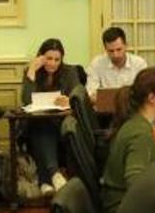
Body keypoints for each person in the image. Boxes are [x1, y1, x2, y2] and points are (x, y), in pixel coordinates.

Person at [100, 67, 155, 213]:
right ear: (152, 98)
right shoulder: (141, 134)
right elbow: (135, 182)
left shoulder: (135, 123)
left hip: (121, 209)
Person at [21, 38, 81, 196]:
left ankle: (45, 180)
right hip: (37, 124)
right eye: (48, 58)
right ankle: (54, 174)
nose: (53, 63)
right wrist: (32, 70)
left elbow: (78, 97)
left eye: (57, 59)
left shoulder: (69, 72)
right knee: (42, 126)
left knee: (45, 129)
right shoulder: (32, 71)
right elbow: (26, 100)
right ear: (41, 57)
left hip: (62, 124)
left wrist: (69, 100)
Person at [86, 27, 148, 100]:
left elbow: (145, 91)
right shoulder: (96, 64)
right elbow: (91, 93)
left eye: (119, 49)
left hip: (132, 107)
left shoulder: (139, 64)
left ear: (126, 46)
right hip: (105, 108)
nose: (116, 55)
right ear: (105, 49)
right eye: (111, 51)